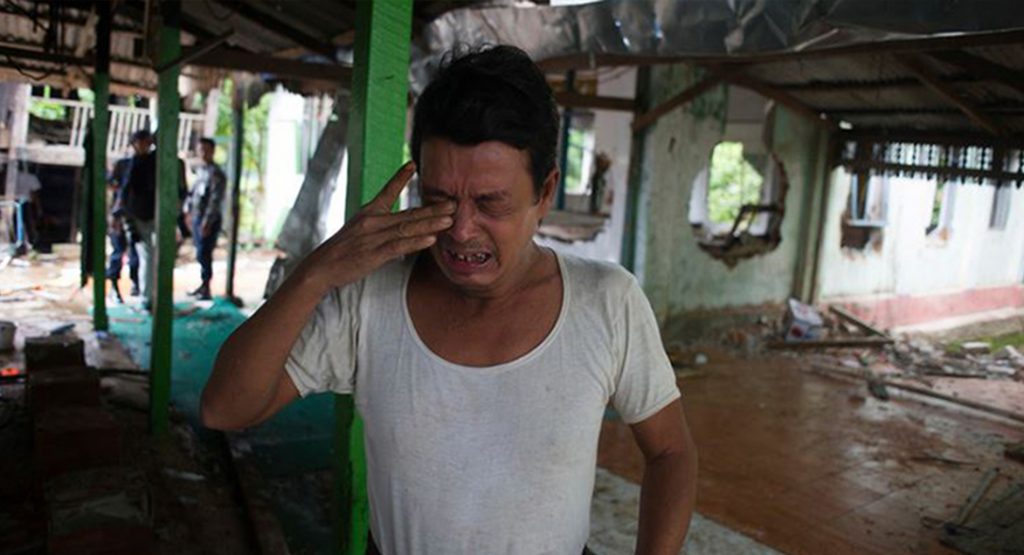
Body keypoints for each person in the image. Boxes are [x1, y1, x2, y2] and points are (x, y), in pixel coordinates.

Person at [201, 45, 696, 554]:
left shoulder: (606, 303)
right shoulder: (370, 299)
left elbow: (671, 451)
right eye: (439, 200)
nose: (461, 230)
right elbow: (225, 408)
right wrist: (315, 274)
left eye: (489, 203)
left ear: (545, 192)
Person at [185, 137, 226, 300]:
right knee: (201, 253)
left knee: (205, 252)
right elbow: (193, 194)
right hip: (197, 217)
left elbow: (215, 201)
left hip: (208, 220)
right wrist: (188, 212)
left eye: (205, 150)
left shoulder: (216, 174)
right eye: (200, 149)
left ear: (212, 151)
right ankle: (203, 286)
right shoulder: (201, 171)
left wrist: (207, 222)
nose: (202, 153)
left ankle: (206, 287)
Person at [106, 154, 140, 302]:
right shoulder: (118, 190)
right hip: (119, 217)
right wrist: (115, 216)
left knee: (135, 253)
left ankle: (135, 284)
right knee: (118, 253)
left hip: (133, 217)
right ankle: (115, 287)